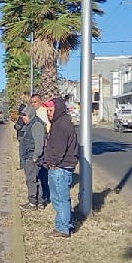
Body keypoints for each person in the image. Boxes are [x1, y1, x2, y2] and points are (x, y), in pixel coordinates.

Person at [41, 97, 78, 238]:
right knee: (61, 198)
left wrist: (52, 163)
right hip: (62, 166)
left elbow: (58, 148)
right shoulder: (63, 122)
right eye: (48, 111)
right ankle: (66, 223)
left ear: (58, 109)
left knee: (59, 198)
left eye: (51, 110)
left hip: (59, 167)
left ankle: (62, 228)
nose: (49, 113)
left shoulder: (60, 125)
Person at [18, 103, 49, 210]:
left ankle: (32, 203)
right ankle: (40, 202)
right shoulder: (30, 124)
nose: (23, 118)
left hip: (32, 157)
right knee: (36, 179)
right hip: (30, 155)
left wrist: (35, 156)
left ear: (30, 114)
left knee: (31, 180)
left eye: (24, 116)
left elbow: (39, 143)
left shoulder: (36, 125)